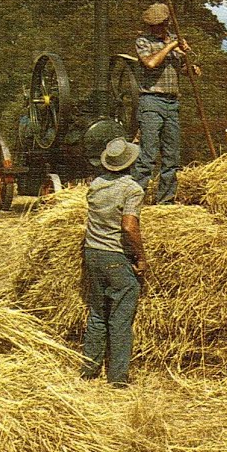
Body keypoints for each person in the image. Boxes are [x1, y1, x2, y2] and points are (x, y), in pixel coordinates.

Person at [81, 137, 150, 389]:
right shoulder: (132, 190)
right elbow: (129, 226)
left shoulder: (96, 184)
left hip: (92, 253)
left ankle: (88, 370)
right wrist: (141, 257)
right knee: (121, 318)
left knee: (97, 314)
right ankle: (118, 378)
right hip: (114, 256)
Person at [134, 3, 200, 205]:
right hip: (151, 101)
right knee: (148, 155)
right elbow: (151, 63)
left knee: (171, 157)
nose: (155, 29)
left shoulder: (175, 44)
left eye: (159, 25)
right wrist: (171, 46)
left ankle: (166, 201)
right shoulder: (143, 42)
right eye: (152, 25)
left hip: (172, 103)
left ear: (166, 23)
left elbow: (185, 71)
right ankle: (134, 201)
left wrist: (192, 66)